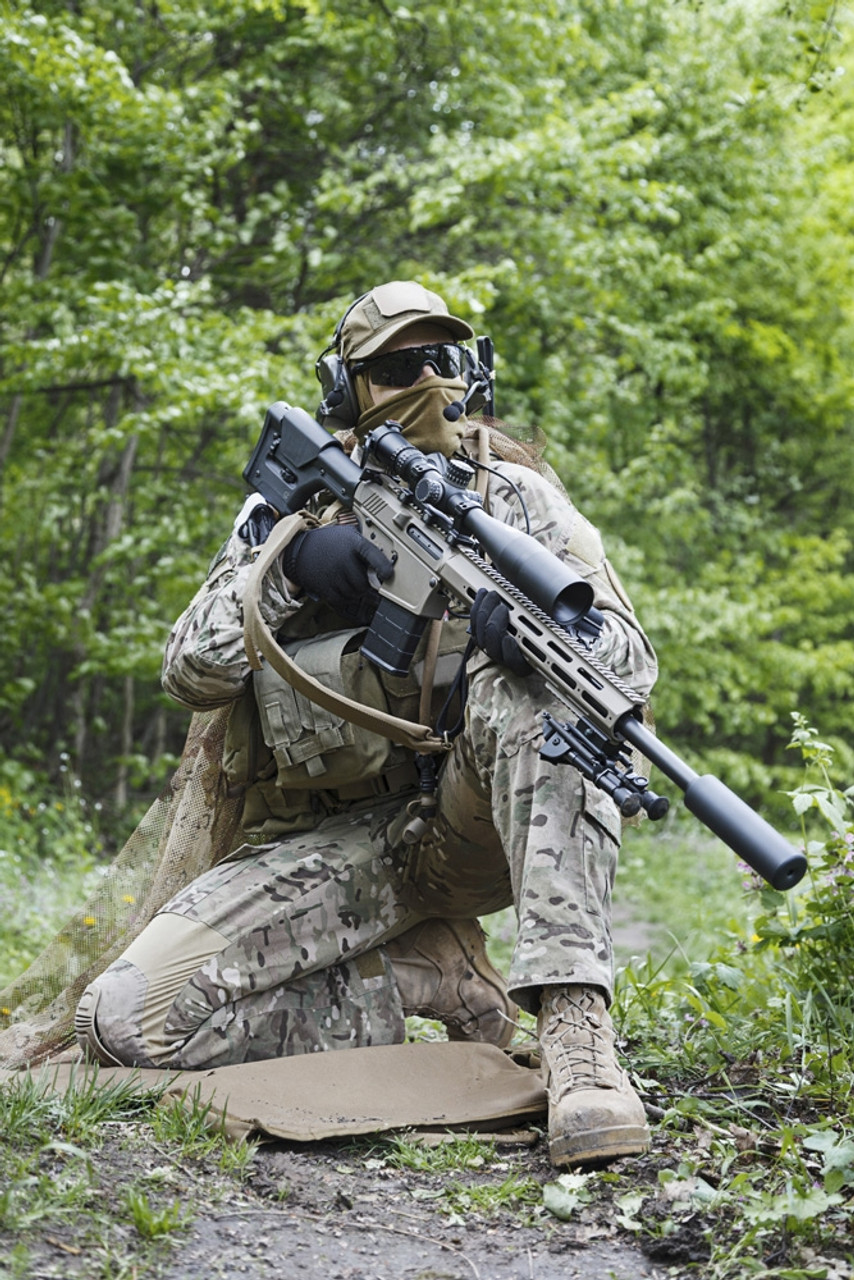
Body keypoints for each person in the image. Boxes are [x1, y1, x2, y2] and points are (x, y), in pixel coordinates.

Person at [74, 280, 659, 1168]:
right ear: (348, 392)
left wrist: (530, 633)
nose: (426, 379)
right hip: (331, 840)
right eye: (395, 366)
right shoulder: (298, 504)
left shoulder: (518, 501)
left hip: (469, 825)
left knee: (541, 690)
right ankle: (429, 978)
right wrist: (287, 566)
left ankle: (578, 1033)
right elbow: (188, 667)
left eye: (441, 360)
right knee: (123, 1024)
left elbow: (629, 660)